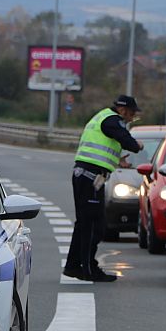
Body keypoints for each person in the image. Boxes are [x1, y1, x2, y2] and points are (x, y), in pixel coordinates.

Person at [63, 95, 144, 283]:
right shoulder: (112, 120)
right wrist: (137, 146)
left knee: (85, 223)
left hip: (87, 176)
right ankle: (88, 269)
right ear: (123, 110)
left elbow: (100, 150)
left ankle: (73, 266)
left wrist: (117, 160)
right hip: (90, 178)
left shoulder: (103, 118)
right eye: (132, 113)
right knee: (94, 225)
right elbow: (126, 140)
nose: (132, 118)